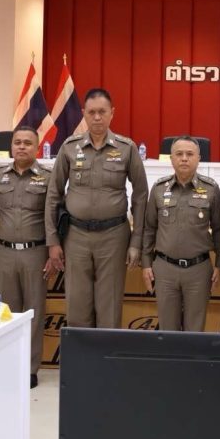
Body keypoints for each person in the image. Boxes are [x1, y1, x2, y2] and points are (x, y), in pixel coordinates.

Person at [44, 88, 147, 329]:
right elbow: (53, 194)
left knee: (109, 308)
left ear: (112, 113)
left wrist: (136, 242)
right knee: (77, 307)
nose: (97, 117)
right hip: (76, 237)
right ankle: (81, 355)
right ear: (84, 114)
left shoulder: (126, 148)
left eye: (102, 112)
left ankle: (106, 356)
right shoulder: (70, 147)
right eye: (92, 112)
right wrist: (53, 240)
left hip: (114, 237)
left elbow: (141, 195)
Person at [0, 126, 57, 388]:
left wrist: (53, 251)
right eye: (17, 142)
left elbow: (55, 216)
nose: (22, 146)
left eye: (27, 143)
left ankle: (30, 369)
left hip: (36, 253)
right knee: (7, 313)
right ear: (11, 146)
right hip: (5, 253)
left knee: (34, 312)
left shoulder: (48, 177)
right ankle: (9, 365)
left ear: (37, 148)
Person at [141, 135, 220, 332]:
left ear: (199, 158)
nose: (184, 158)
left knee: (195, 330)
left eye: (189, 154)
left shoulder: (211, 189)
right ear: (171, 159)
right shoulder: (158, 189)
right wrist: (146, 264)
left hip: (198, 270)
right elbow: (149, 228)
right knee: (167, 330)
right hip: (165, 269)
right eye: (179, 154)